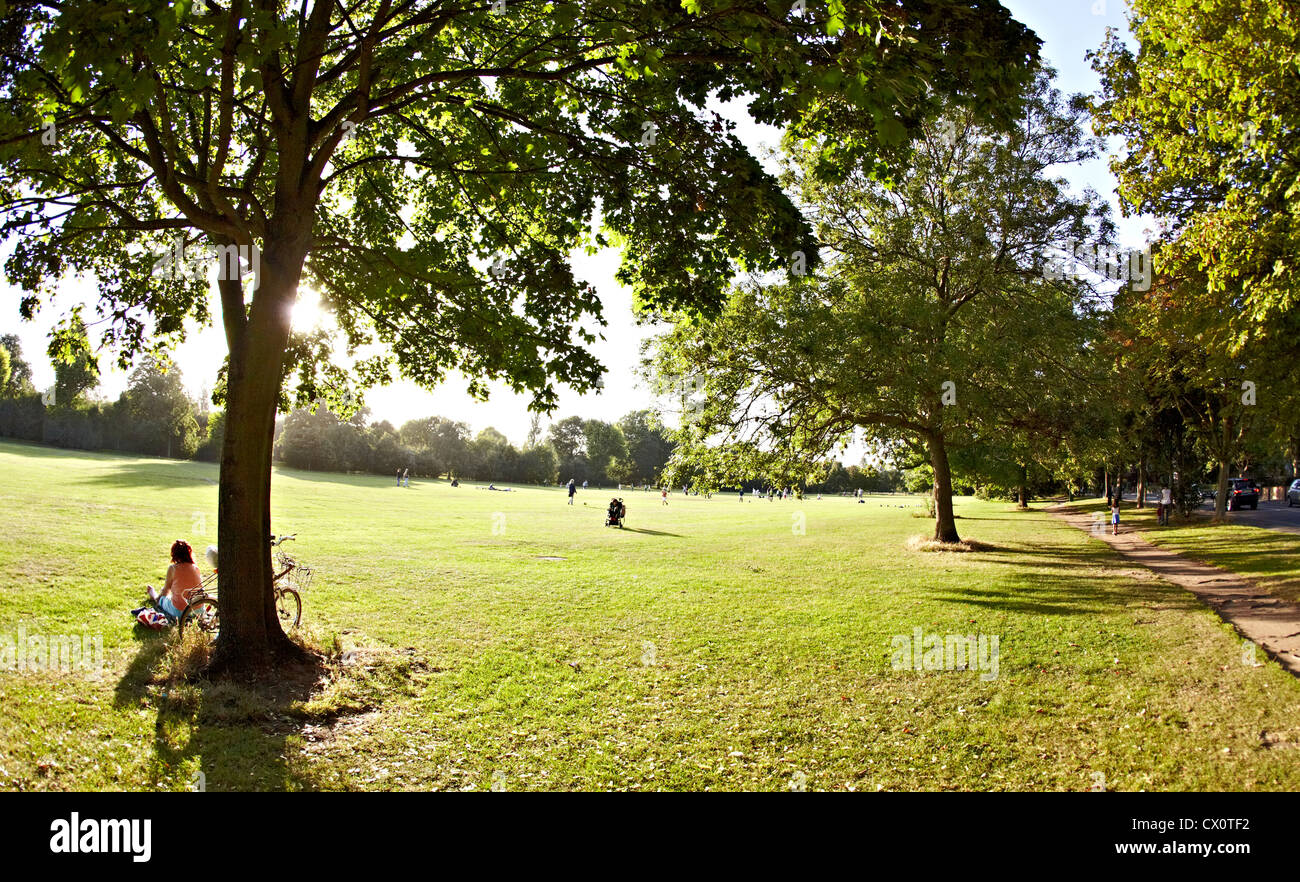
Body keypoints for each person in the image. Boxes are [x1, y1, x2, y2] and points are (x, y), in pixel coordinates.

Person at [145, 540, 203, 621]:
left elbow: (166, 591)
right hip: (198, 610)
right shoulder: (196, 568)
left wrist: (158, 598)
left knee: (162, 599)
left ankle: (153, 594)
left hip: (180, 612)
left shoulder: (173, 568)